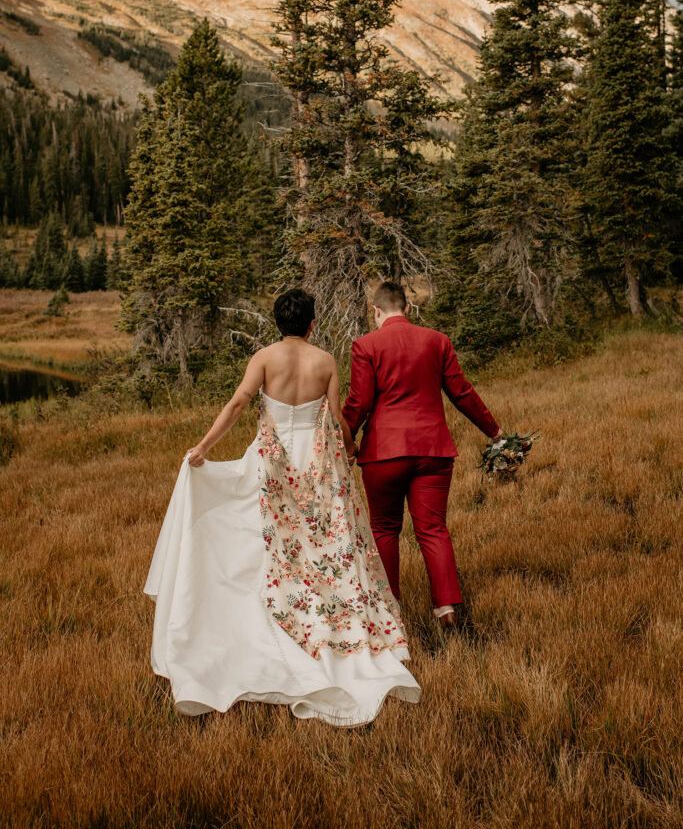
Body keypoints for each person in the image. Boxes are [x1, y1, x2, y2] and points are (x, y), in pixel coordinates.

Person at [143, 288, 420, 726]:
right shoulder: (325, 361)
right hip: (315, 462)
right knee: (326, 547)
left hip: (272, 462)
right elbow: (335, 416)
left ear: (279, 322)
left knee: (261, 544)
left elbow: (238, 404)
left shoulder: (265, 357)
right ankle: (327, 625)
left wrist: (203, 447)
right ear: (311, 323)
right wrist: (349, 448)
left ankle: (259, 622)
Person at [342, 281, 503, 630]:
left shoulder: (366, 345)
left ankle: (390, 613)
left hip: (384, 453)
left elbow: (359, 402)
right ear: (408, 308)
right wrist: (494, 430)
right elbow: (461, 392)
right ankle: (446, 609)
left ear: (376, 311)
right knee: (433, 529)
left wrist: (346, 442)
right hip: (433, 449)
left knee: (384, 529)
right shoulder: (437, 341)